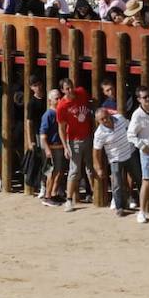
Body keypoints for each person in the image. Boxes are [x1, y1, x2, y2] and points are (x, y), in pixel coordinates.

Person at [55, 77, 94, 213]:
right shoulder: (61, 106)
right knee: (75, 170)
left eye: (71, 86)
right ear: (62, 91)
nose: (70, 90)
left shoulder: (81, 92)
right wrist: (66, 146)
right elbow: (61, 128)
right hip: (74, 140)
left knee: (91, 168)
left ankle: (96, 195)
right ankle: (69, 200)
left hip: (88, 137)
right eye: (67, 88)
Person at [126, 86, 149, 224]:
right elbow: (130, 135)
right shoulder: (137, 115)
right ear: (139, 99)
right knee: (147, 180)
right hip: (147, 152)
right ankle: (142, 211)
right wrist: (142, 146)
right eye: (144, 97)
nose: (147, 99)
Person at [92, 106, 136, 215]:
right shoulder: (99, 134)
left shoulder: (120, 118)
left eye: (106, 117)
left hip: (130, 153)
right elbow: (96, 152)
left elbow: (131, 129)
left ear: (109, 114)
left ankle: (143, 203)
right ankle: (119, 207)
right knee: (117, 184)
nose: (105, 120)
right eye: (102, 119)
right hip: (115, 159)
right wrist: (98, 168)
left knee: (139, 178)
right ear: (98, 121)